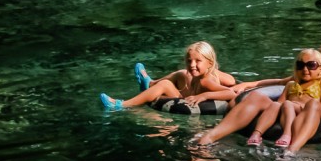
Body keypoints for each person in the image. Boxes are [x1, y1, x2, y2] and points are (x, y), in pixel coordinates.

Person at [99, 41, 235, 111]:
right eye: (189, 61)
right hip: (189, 93)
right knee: (182, 73)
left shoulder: (206, 81)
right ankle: (150, 83)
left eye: (198, 61)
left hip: (186, 101)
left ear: (209, 62)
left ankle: (122, 105)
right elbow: (231, 81)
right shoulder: (210, 72)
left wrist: (204, 95)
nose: (192, 64)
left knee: (165, 85)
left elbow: (230, 93)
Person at [246, 48, 321, 150]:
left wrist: (306, 107)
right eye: (301, 65)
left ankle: (288, 134)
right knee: (278, 104)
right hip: (288, 114)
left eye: (311, 65)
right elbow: (280, 103)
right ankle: (257, 133)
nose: (305, 69)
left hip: (305, 115)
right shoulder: (290, 85)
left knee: (288, 104)